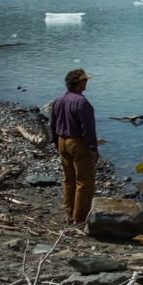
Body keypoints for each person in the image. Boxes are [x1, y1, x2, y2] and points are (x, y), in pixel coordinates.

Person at [49, 69, 99, 228]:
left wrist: (55, 141)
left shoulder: (58, 99)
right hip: (77, 143)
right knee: (84, 181)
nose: (87, 83)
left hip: (62, 141)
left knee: (69, 179)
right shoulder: (82, 102)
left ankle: (68, 213)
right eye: (85, 80)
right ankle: (80, 217)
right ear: (79, 83)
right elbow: (88, 128)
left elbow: (52, 123)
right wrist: (93, 148)